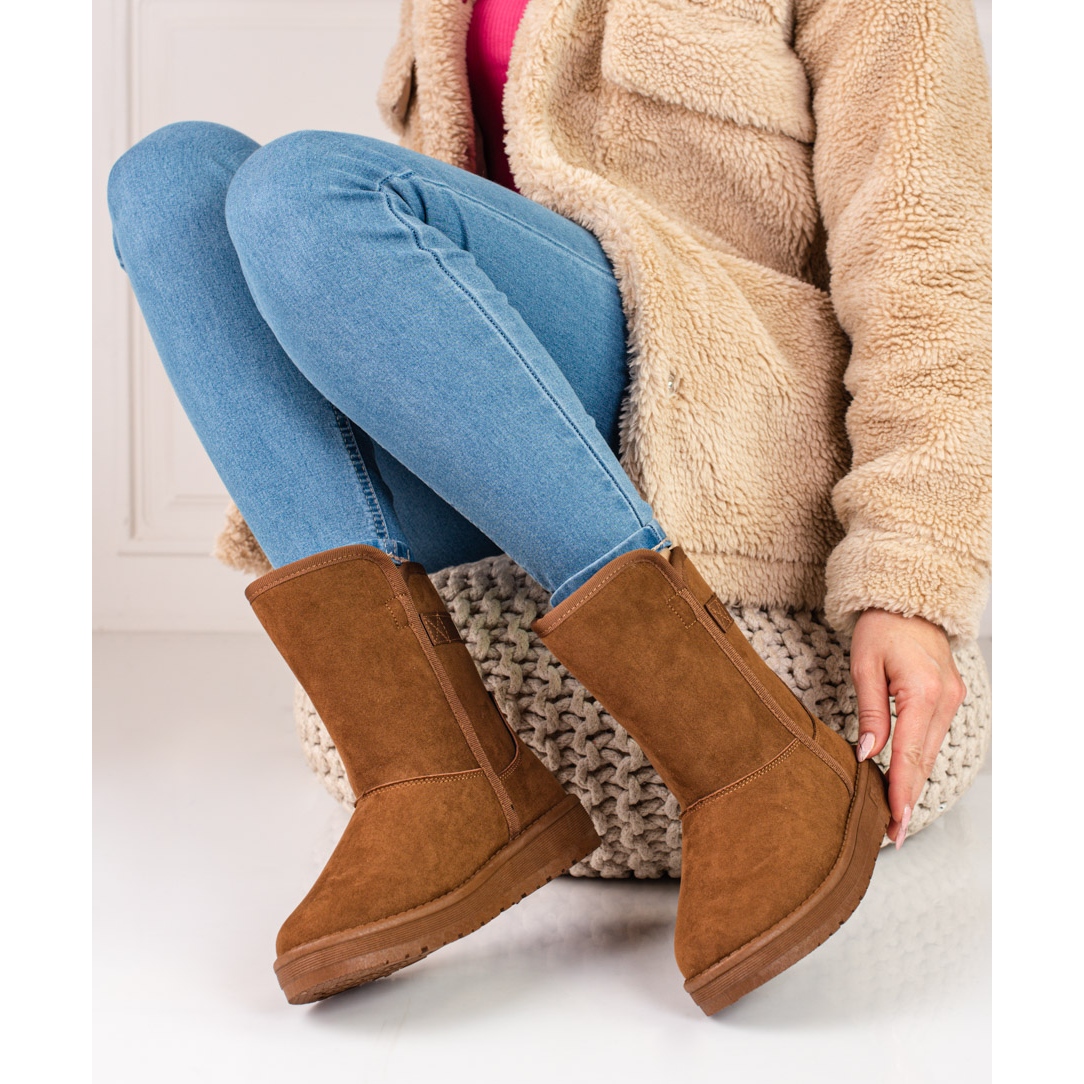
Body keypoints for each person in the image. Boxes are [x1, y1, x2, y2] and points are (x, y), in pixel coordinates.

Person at [105, 0, 990, 1014]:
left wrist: (912, 575)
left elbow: (930, 258)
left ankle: (748, 753)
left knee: (303, 189)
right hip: (503, 427)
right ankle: (429, 769)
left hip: (720, 411)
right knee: (167, 179)